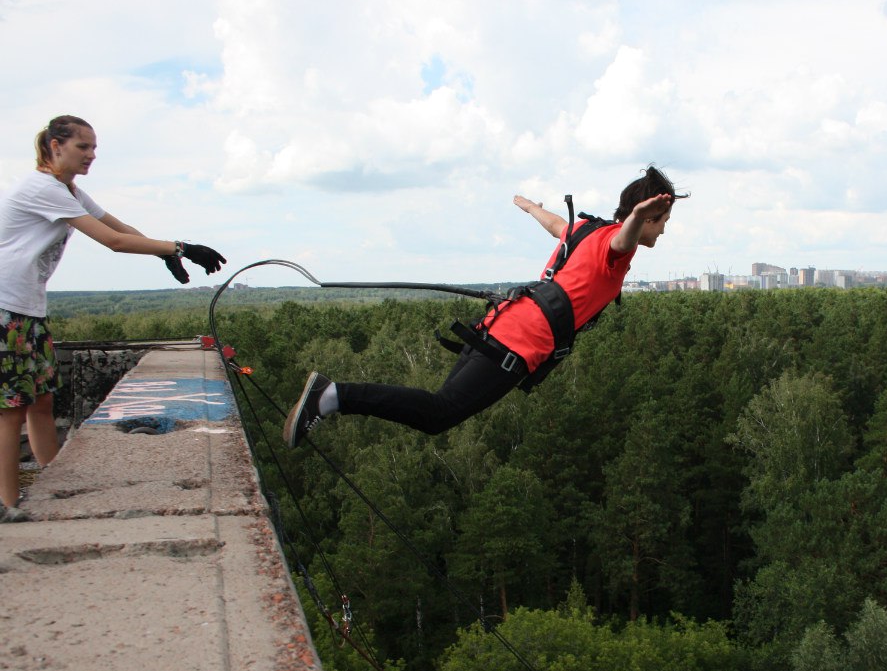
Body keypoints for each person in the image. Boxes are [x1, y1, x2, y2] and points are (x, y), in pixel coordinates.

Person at [284, 165, 686, 447]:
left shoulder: (586, 230)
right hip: (520, 343)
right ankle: (333, 394)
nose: (664, 229)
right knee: (439, 414)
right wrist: (637, 216)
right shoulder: (618, 246)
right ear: (649, 215)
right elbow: (625, 238)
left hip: (500, 325)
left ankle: (334, 395)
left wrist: (530, 207)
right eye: (662, 219)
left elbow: (556, 226)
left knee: (439, 406)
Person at [0, 115, 227, 522]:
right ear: (55, 146)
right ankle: (9, 504)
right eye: (82, 147)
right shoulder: (42, 188)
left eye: (93, 148)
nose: (91, 155)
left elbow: (118, 225)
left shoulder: (68, 190)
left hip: (26, 307)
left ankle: (54, 485)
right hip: (5, 308)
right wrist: (181, 246)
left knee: (42, 401)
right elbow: (113, 242)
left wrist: (165, 253)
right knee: (12, 408)